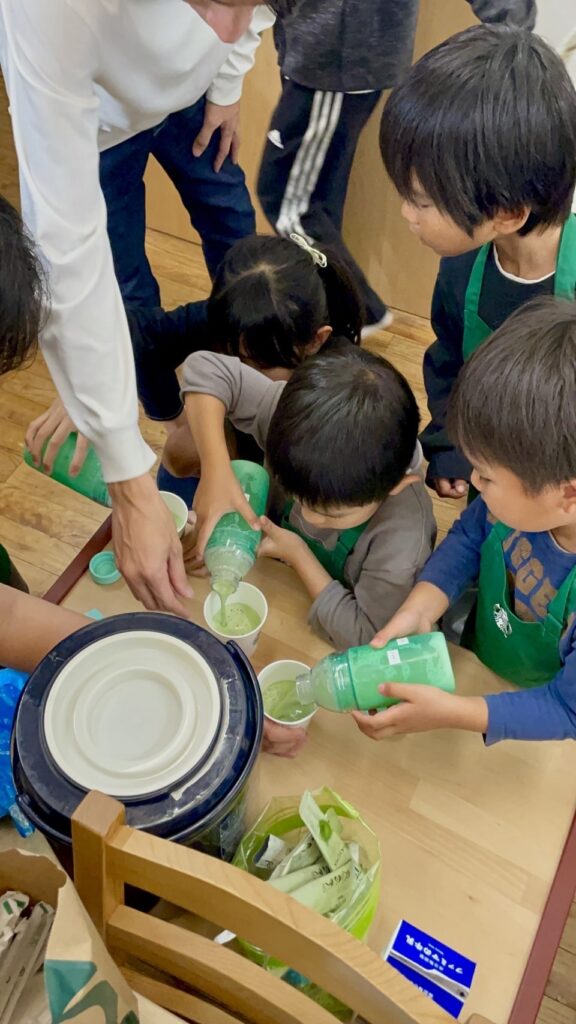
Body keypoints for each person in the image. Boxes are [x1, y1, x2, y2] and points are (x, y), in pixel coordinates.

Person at [0, 0, 288, 616]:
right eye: (211, 1)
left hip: (189, 105)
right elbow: (67, 249)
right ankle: (158, 401)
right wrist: (121, 454)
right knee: (125, 287)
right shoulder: (54, 15)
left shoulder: (226, 32)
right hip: (101, 128)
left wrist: (227, 82)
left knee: (232, 227)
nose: (225, 29)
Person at [355, 298, 576, 744]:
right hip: (484, 664)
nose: (473, 481)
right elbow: (472, 534)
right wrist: (421, 606)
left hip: (535, 721)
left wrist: (455, 713)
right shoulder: (519, 499)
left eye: (487, 476)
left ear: (568, 494)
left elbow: (565, 709)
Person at [379, 24, 576, 499]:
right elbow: (450, 361)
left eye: (423, 202)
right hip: (493, 479)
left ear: (507, 213)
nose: (407, 214)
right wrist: (449, 446)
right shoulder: (462, 270)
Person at [257, 0, 536, 336]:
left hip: (335, 61)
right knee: (315, 205)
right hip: (320, 51)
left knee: (288, 205)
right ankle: (341, 311)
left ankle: (356, 310)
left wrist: (513, 48)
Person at [181, 344, 436, 651]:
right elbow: (204, 367)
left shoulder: (403, 541)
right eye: (296, 498)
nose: (308, 517)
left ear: (396, 485)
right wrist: (215, 470)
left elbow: (368, 635)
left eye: (332, 515)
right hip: (274, 585)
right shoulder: (295, 423)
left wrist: (299, 555)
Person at [126, 232, 364, 502]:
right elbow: (141, 338)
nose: (237, 374)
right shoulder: (230, 323)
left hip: (296, 473)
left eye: (257, 365)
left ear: (315, 341)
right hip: (235, 444)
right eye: (231, 357)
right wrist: (172, 418)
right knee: (178, 453)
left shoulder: (341, 379)